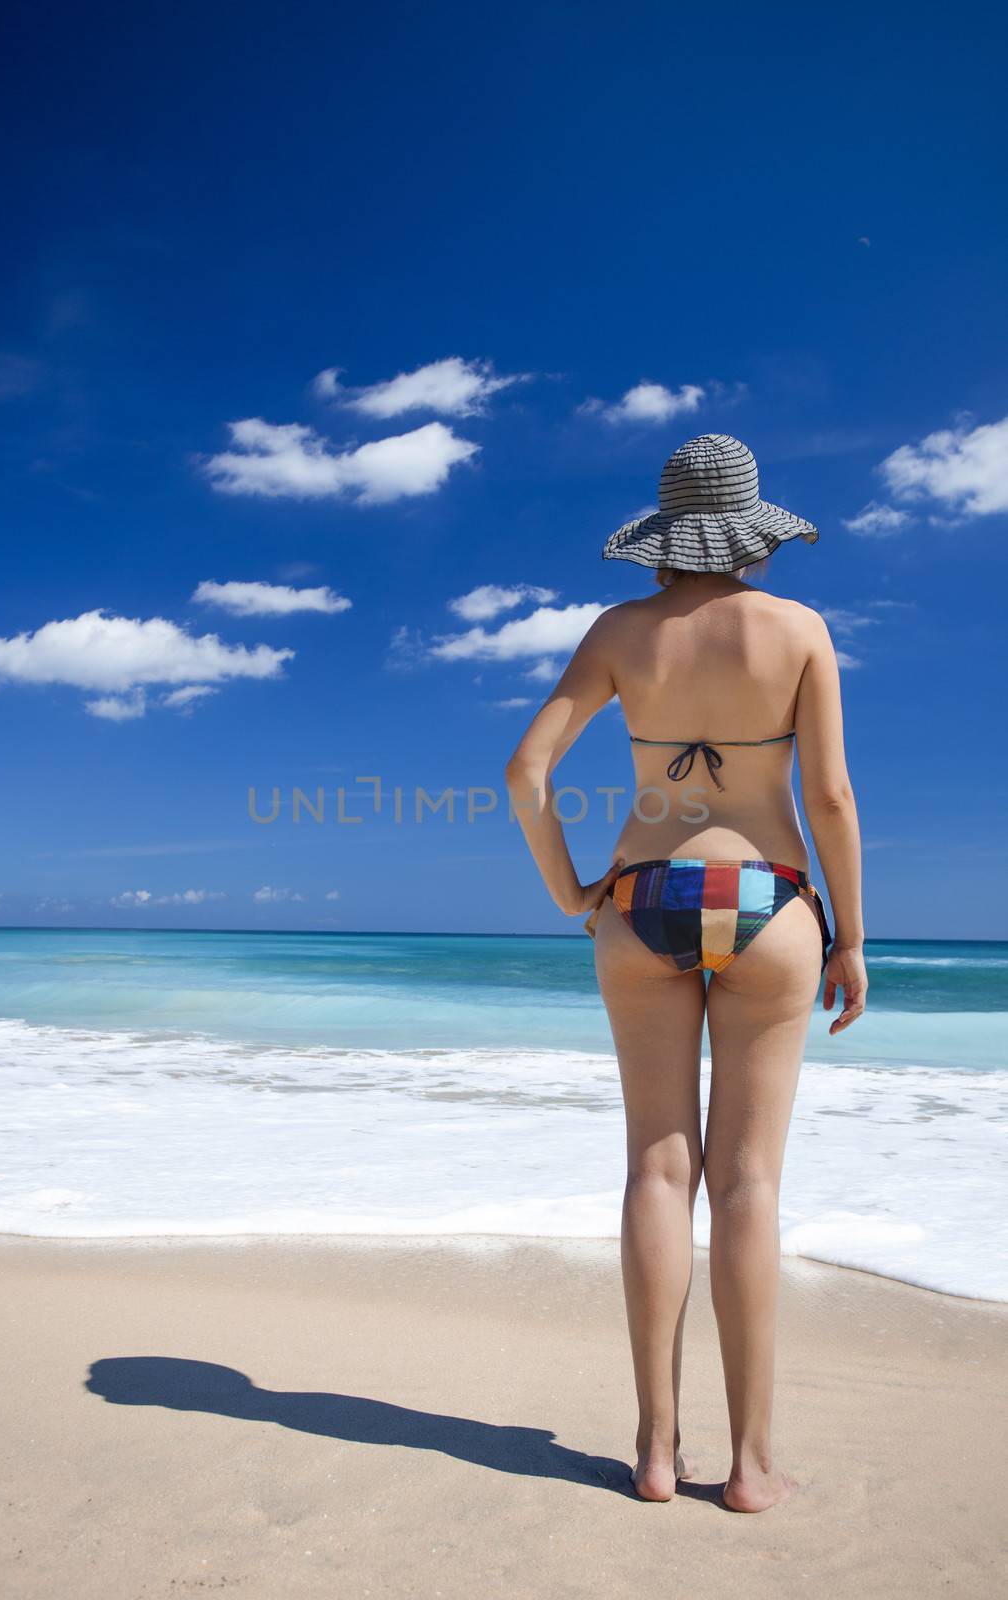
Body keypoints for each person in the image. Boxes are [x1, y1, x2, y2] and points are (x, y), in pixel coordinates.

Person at [504, 433, 867, 1514]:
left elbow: (525, 769)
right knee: (746, 1182)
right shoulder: (795, 629)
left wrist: (571, 890)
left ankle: (654, 1449)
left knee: (656, 1170)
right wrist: (848, 934)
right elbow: (833, 799)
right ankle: (749, 1466)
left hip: (643, 897)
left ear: (663, 536)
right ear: (749, 533)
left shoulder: (618, 633)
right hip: (764, 901)